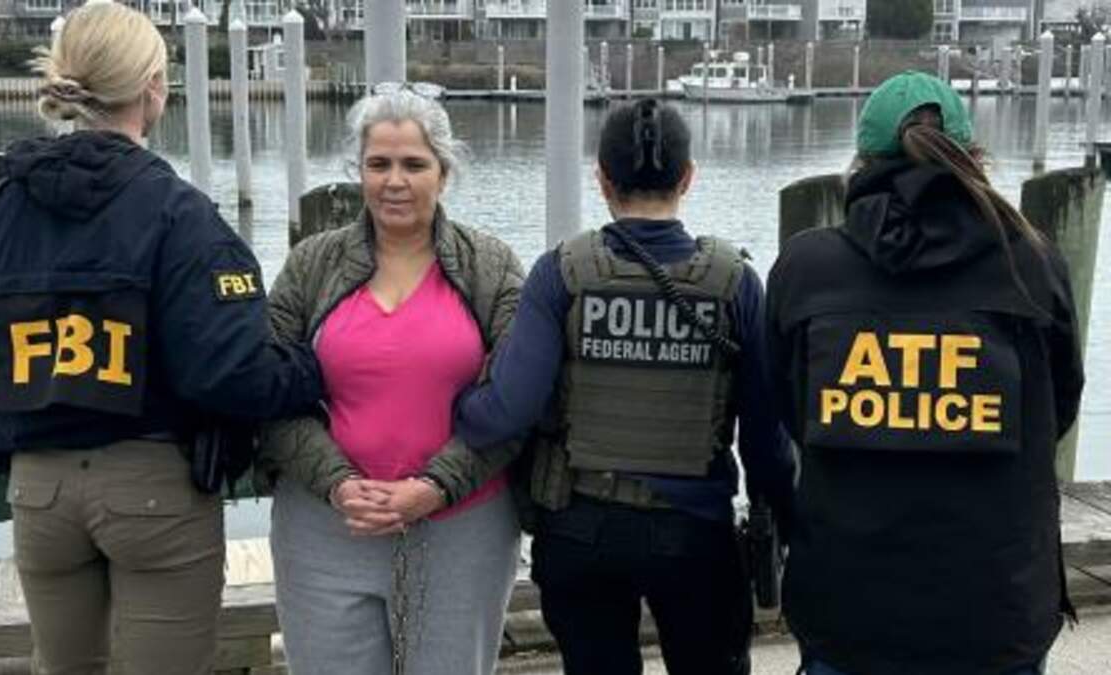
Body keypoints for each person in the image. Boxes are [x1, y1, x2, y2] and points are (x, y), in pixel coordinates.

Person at [0, 4, 324, 674]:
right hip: (153, 485)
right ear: (153, 89)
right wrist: (312, 369)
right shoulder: (179, 215)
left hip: (39, 487)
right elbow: (228, 372)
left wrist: (16, 446)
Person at [454, 98, 796, 675]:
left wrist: (452, 408)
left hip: (580, 531)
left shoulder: (561, 272)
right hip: (695, 534)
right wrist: (785, 519)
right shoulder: (734, 281)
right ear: (687, 178)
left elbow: (509, 408)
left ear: (602, 180)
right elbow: (766, 437)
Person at [766, 71, 1085, 675]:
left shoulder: (807, 268)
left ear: (861, 163)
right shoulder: (1033, 262)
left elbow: (787, 407)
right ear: (974, 158)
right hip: (998, 610)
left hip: (847, 608)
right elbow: (1057, 410)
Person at [255, 87, 524, 675]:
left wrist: (436, 485)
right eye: (379, 164)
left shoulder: (492, 266)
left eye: (413, 164)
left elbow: (516, 400)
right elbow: (267, 390)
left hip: (462, 529)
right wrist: (337, 482)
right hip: (326, 528)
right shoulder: (311, 264)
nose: (394, 181)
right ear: (359, 171)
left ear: (443, 173)